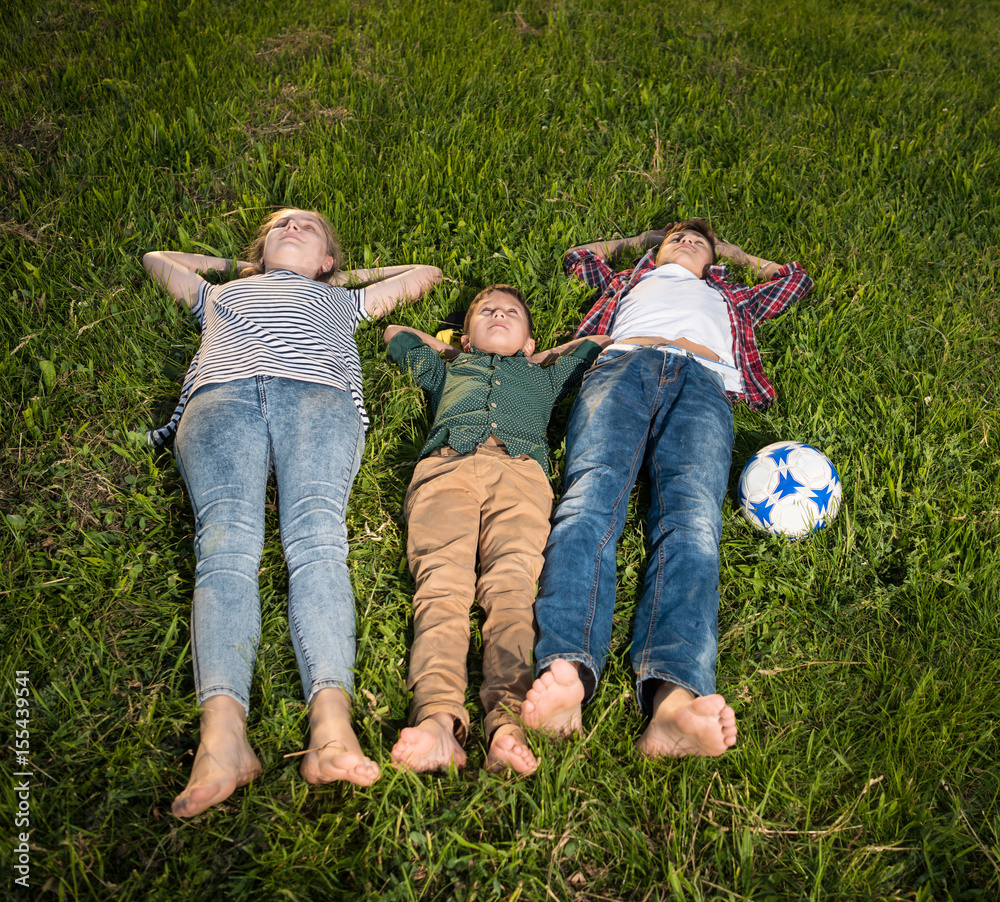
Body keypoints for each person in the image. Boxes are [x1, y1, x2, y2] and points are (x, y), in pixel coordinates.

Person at [143, 208, 442, 816]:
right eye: (281, 224)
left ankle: (331, 731)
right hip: (221, 396)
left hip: (318, 397)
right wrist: (248, 267)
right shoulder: (222, 293)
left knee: (319, 544)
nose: (293, 226)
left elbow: (424, 273)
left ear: (331, 260)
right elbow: (157, 261)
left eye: (309, 227)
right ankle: (222, 740)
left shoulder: (342, 302)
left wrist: (334, 278)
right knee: (224, 545)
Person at [521, 220, 814, 757]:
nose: (687, 240)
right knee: (588, 504)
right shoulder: (628, 280)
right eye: (677, 236)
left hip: (704, 382)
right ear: (655, 251)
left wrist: (731, 251)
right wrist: (640, 242)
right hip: (620, 365)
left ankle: (674, 702)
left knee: (693, 525)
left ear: (715, 260)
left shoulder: (731, 295)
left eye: (699, 241)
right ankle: (566, 670)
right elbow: (577, 255)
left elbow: (794, 279)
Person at [383, 285, 610, 774]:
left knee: (512, 590)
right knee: (442, 586)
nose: (499, 314)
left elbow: (595, 342)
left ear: (530, 344)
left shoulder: (544, 379)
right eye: (486, 312)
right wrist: (458, 349)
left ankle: (506, 723)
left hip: (521, 476)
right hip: (447, 470)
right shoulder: (449, 369)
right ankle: (438, 718)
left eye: (512, 314)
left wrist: (537, 355)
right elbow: (395, 333)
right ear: (465, 337)